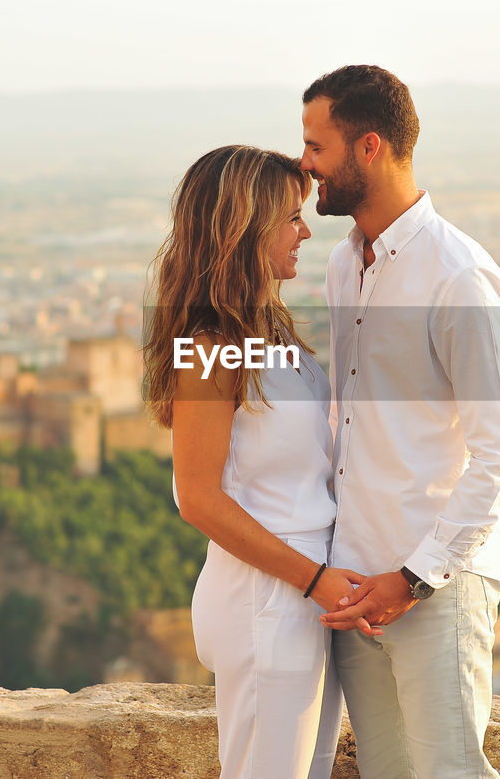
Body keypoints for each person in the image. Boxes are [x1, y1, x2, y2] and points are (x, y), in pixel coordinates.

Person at [300, 66, 500, 779]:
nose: (305, 166)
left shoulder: (457, 276)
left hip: (435, 579)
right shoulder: (344, 266)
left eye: (316, 147)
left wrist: (416, 576)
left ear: (368, 147)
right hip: (356, 581)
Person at [143, 145, 374, 779]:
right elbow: (198, 498)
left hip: (303, 595)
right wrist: (311, 578)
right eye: (290, 218)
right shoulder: (210, 346)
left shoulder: (268, 333)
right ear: (242, 229)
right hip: (266, 598)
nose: (305, 230)